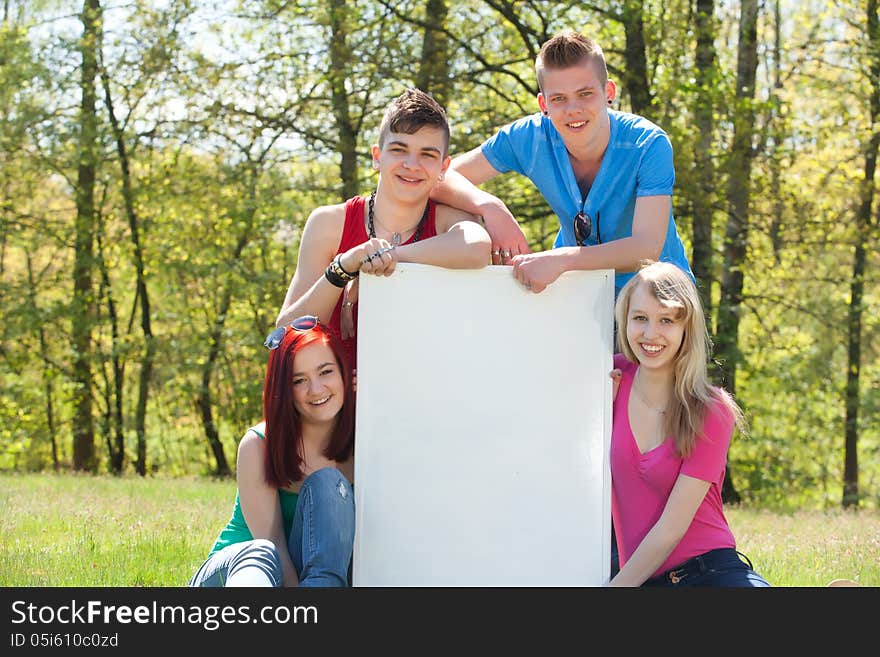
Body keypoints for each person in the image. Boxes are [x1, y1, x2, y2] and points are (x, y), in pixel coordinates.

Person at [432, 30, 693, 296]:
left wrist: (562, 259)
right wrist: (491, 207)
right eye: (559, 99)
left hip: (659, 300)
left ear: (608, 92)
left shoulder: (647, 144)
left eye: (585, 93)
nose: (573, 109)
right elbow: (436, 178)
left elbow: (646, 248)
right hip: (578, 296)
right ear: (544, 103)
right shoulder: (529, 138)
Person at [276, 88, 491, 369]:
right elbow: (284, 337)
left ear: (443, 167)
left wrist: (381, 259)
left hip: (417, 397)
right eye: (399, 149)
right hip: (335, 404)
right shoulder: (330, 223)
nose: (412, 165)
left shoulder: (447, 222)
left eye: (427, 155)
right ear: (377, 156)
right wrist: (343, 268)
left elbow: (478, 247)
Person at [607, 261, 769, 586]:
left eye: (666, 320)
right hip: (643, 578)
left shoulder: (711, 410)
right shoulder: (606, 381)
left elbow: (672, 528)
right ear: (624, 320)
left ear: (686, 328)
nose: (651, 334)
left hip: (709, 572)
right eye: (640, 318)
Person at [189, 316, 356, 587]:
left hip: (312, 580)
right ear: (283, 390)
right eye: (299, 380)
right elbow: (275, 543)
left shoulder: (367, 445)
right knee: (262, 552)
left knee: (329, 483)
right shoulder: (259, 444)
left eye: (326, 372)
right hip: (241, 573)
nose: (316, 389)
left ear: (345, 373)